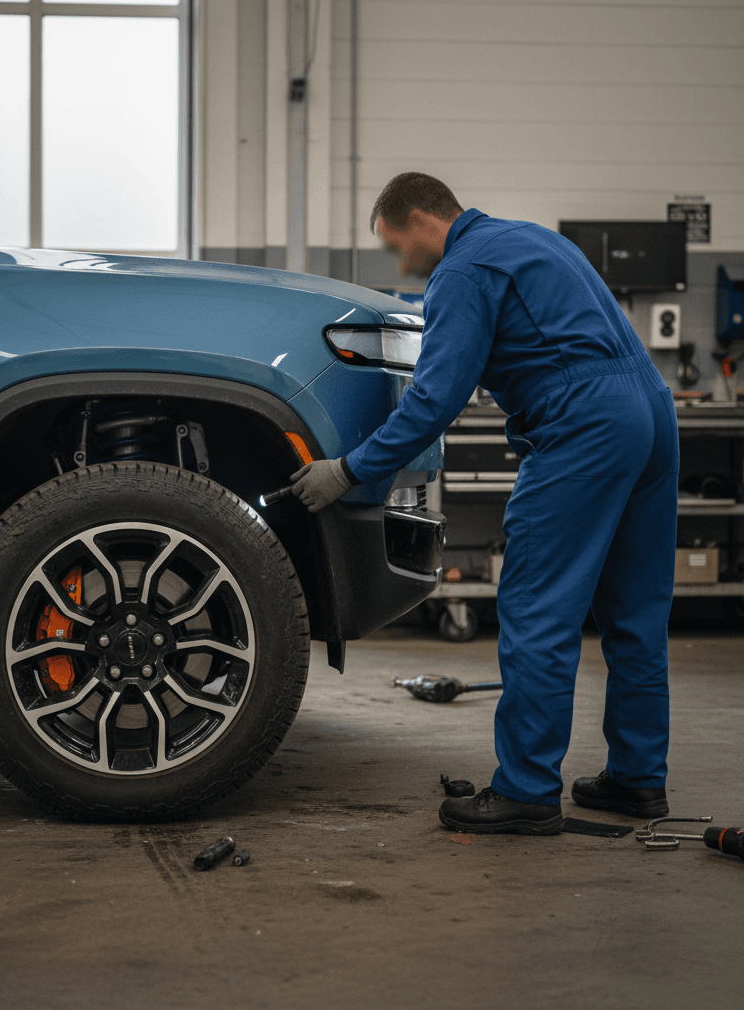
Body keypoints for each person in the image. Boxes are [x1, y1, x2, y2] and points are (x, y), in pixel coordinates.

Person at [290, 172, 679, 834]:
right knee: (636, 613)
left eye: (394, 246)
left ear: (419, 220)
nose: (399, 262)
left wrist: (350, 471)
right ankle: (638, 780)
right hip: (650, 411)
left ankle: (526, 790)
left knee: (536, 606)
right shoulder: (530, 239)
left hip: (584, 423)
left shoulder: (463, 269)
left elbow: (433, 402)